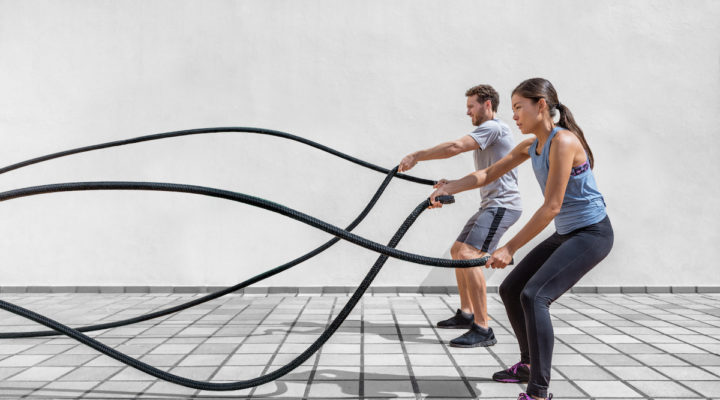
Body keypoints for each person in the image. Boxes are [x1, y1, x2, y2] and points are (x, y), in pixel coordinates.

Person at [429, 78, 613, 400]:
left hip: (592, 233)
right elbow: (488, 174)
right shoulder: (531, 146)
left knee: (534, 296)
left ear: (540, 105)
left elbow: (552, 206)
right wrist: (449, 187)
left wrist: (509, 247)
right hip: (567, 233)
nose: (514, 116)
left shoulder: (563, 141)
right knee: (511, 289)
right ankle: (528, 365)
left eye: (518, 108)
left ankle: (538, 392)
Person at [399, 84, 522, 347]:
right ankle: (467, 314)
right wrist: (450, 184)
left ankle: (483, 327)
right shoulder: (490, 133)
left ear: (487, 104)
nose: (467, 112)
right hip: (491, 204)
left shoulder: (494, 127)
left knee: (469, 255)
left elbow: (455, 147)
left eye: (471, 106)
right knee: (458, 251)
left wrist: (417, 156)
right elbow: (484, 175)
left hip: (503, 205)